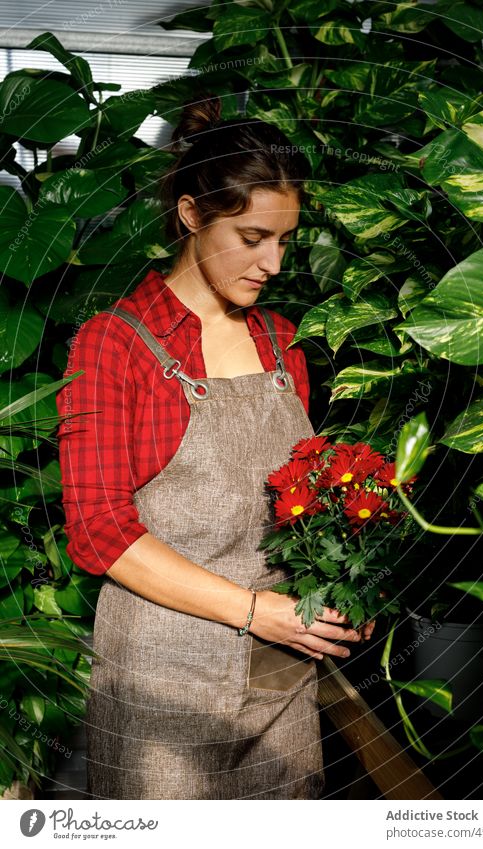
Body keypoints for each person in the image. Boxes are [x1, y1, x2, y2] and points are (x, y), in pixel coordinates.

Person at [56, 95, 375, 800]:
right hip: (163, 684)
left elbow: (302, 502)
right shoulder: (116, 344)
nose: (274, 262)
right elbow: (99, 531)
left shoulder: (281, 341)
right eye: (254, 236)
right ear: (193, 215)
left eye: (285, 241)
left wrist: (344, 583)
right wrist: (254, 610)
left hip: (281, 678)